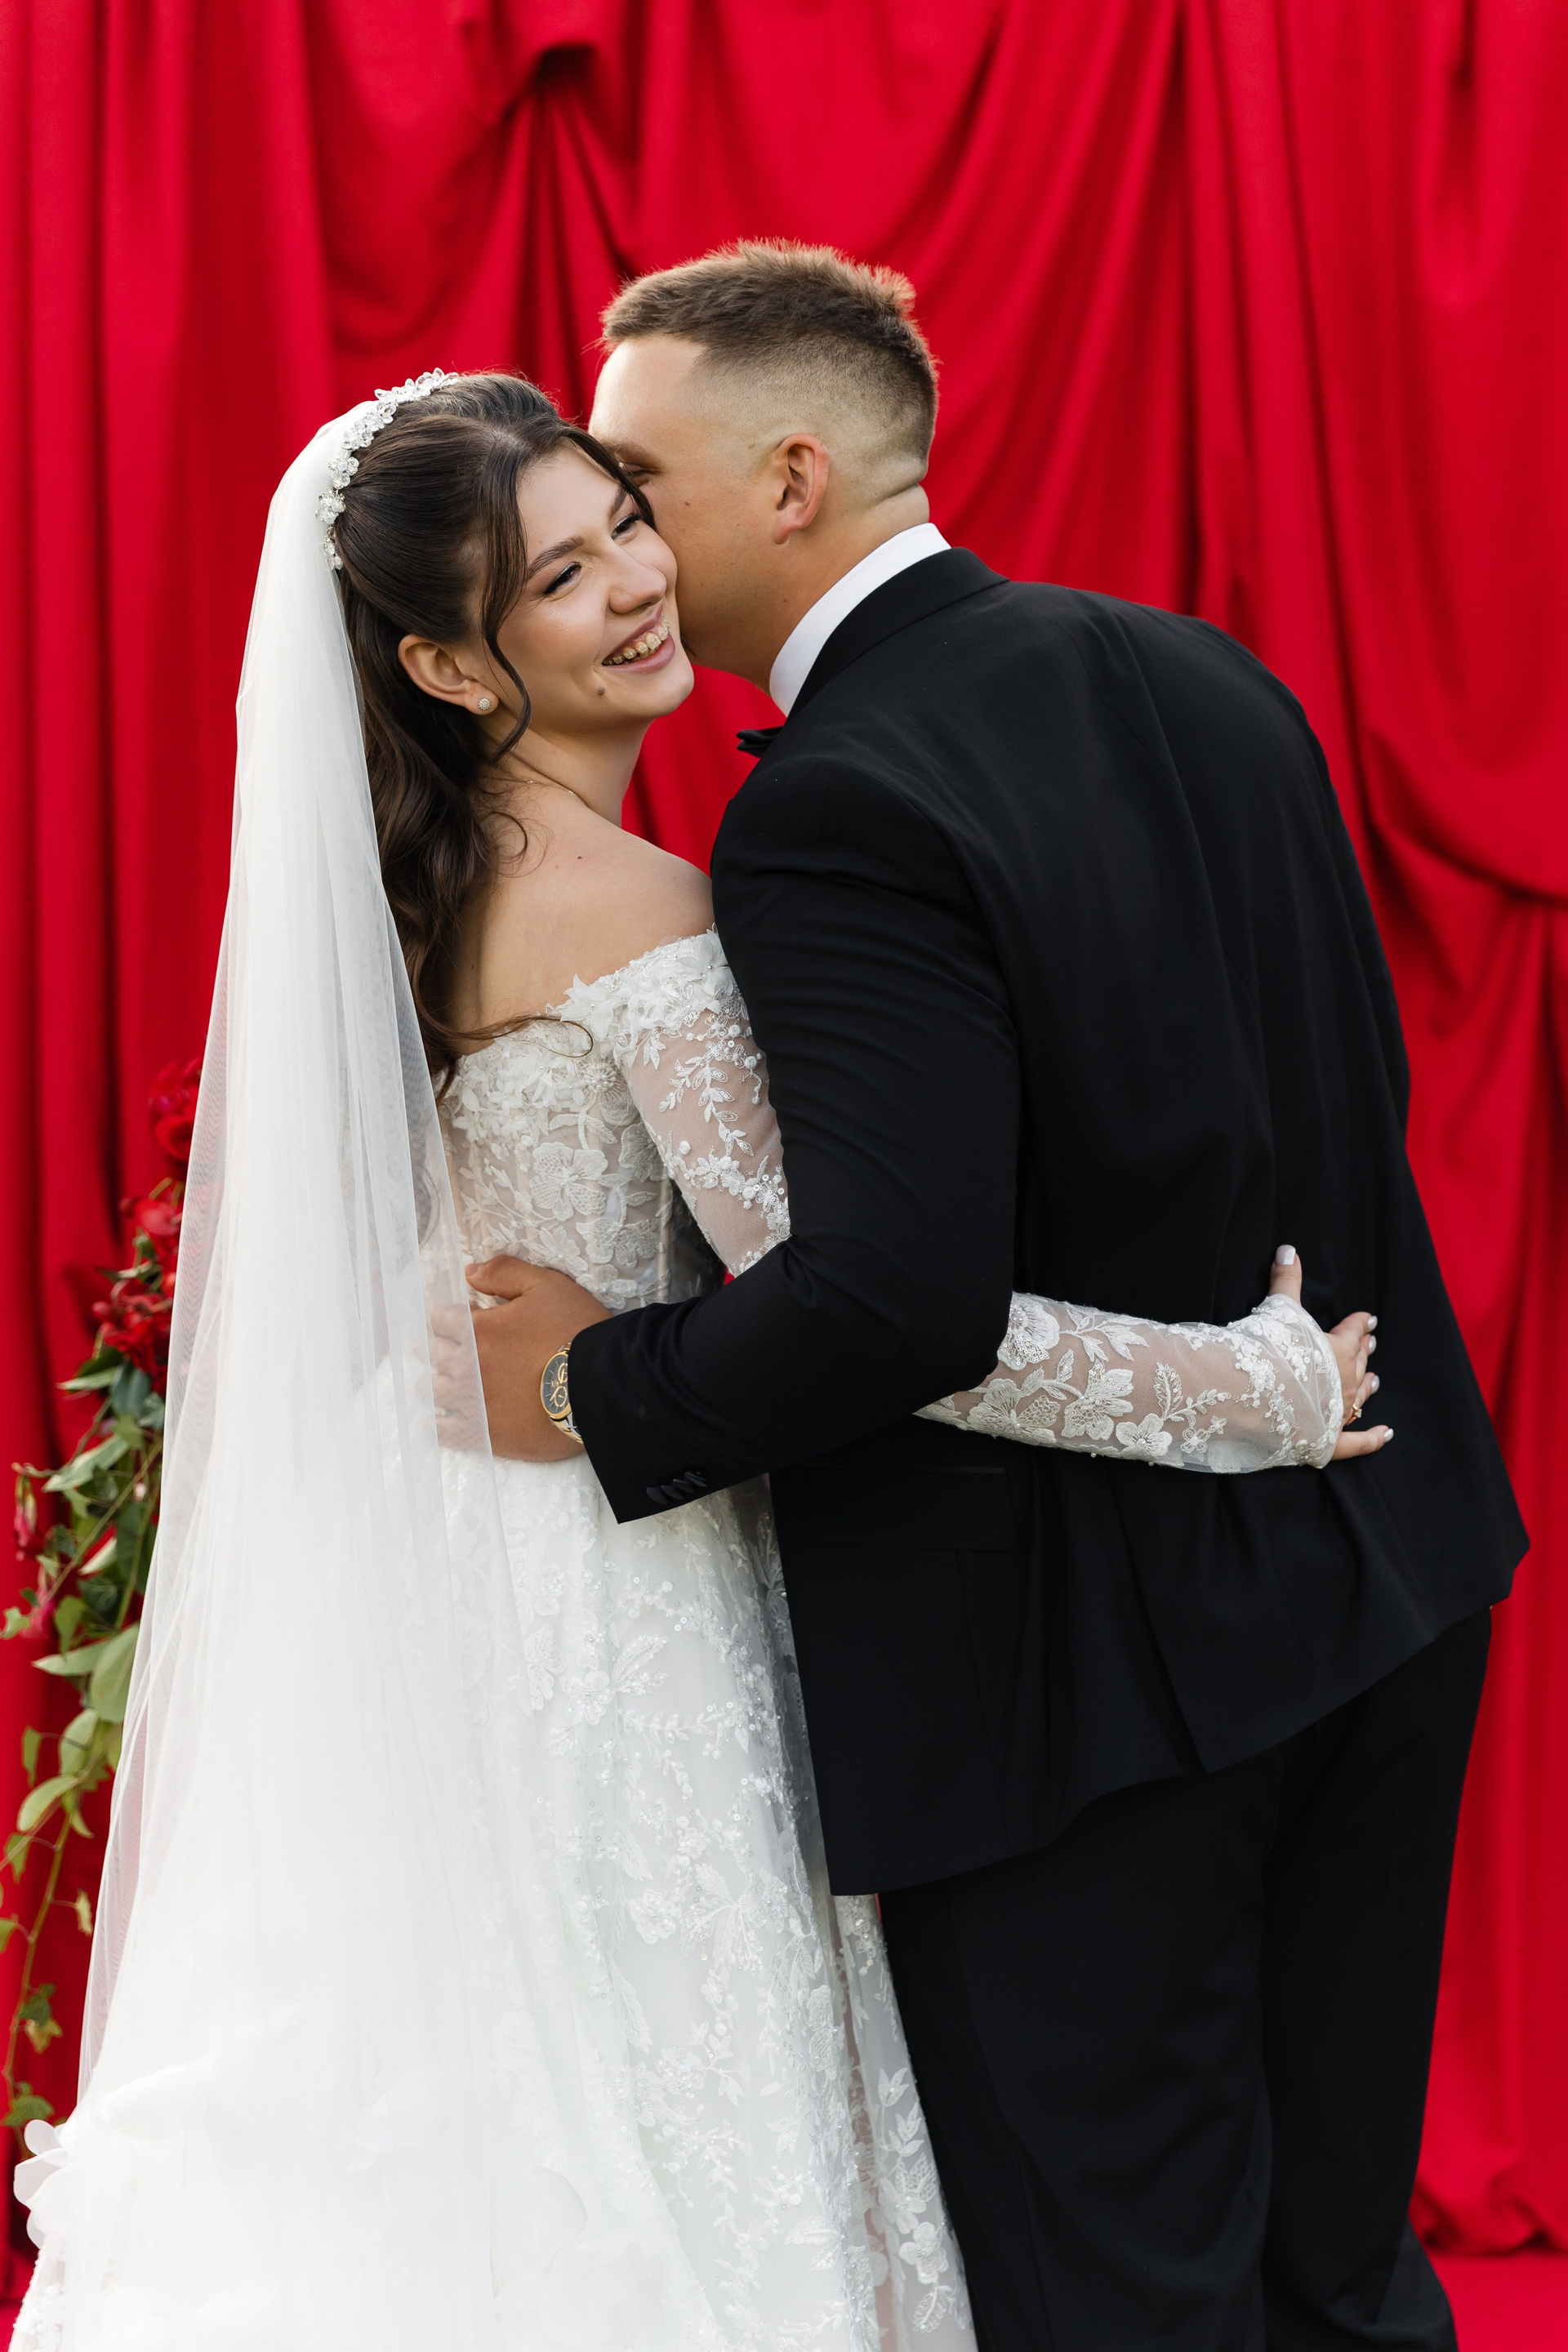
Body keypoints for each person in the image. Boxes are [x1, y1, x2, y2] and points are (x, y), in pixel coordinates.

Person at [13, 363, 1379, 2352]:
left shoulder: (414, 887)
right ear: (447, 667)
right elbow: (876, 1316)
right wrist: (1255, 1390)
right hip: (610, 1585)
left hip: (426, 1566)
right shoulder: (631, 905)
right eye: (562, 576)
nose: (640, 581)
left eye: (626, 522)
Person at [461, 244, 1527, 2352]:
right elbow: (1340, 1098)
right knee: (1340, 2277)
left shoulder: (834, 803)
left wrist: (600, 1384)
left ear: (788, 480)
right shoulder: (1210, 673)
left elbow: (895, 1295)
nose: (632, 548)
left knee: (1121, 2297)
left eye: (643, 487)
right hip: (1387, 1587)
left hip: (1084, 1702)